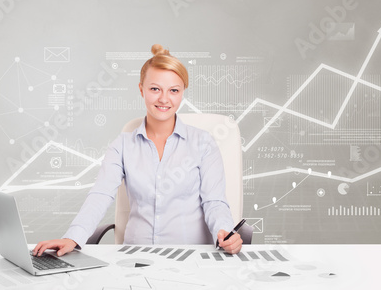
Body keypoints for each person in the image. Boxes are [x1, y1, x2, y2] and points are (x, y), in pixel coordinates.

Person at [33, 44, 243, 257]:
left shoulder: (203, 143)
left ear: (182, 93)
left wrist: (224, 232)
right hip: (135, 258)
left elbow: (214, 201)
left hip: (190, 258)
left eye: (173, 90)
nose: (164, 99)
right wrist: (73, 237)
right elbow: (100, 194)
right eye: (155, 89)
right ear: (141, 89)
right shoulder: (122, 145)